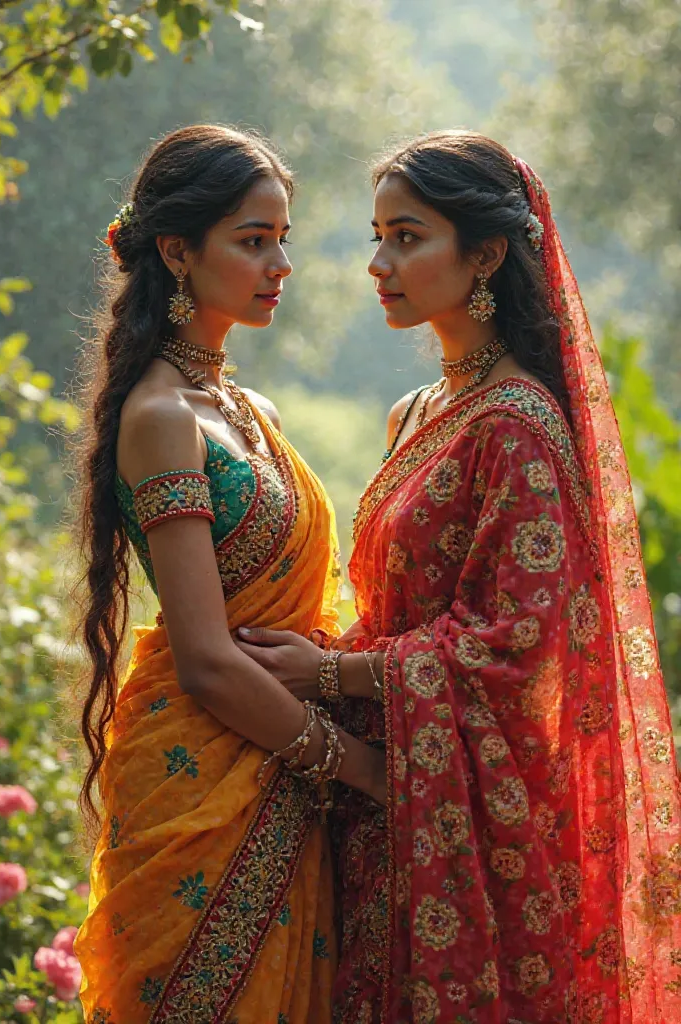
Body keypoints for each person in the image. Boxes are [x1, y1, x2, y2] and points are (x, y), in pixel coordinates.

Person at [236, 130, 681, 1023]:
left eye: (408, 237)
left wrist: (325, 675)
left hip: (477, 834)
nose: (378, 263)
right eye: (377, 235)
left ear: (484, 253)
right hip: (388, 801)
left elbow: (514, 646)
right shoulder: (422, 411)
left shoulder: (517, 426)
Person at [72, 124, 385, 1024]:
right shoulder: (162, 416)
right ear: (177, 250)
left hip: (284, 767)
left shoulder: (253, 409)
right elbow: (207, 660)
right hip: (206, 779)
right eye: (253, 241)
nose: (279, 263)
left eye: (282, 237)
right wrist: (360, 767)